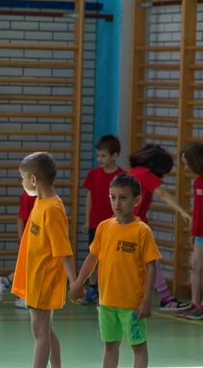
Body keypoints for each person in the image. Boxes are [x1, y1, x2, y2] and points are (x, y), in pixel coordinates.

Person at [68, 173, 159, 368]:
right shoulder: (104, 227)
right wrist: (78, 283)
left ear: (137, 200)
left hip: (132, 304)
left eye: (123, 198)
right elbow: (92, 257)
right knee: (110, 346)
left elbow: (151, 266)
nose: (117, 203)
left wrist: (147, 300)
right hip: (107, 301)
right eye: (113, 197)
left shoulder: (142, 231)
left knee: (138, 348)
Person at [5, 152, 77, 368]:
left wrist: (75, 282)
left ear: (34, 180)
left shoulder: (53, 208)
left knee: (40, 332)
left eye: (23, 178)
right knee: (46, 329)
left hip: (45, 279)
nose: (22, 182)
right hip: (35, 277)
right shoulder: (41, 202)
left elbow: (64, 249)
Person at [128, 144, 192, 311]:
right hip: (134, 226)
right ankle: (166, 299)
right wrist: (182, 211)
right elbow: (162, 193)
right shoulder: (144, 174)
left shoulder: (134, 172)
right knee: (149, 262)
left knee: (142, 262)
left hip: (129, 224)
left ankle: (164, 298)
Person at [80, 135, 125, 304]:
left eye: (103, 156)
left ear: (114, 156)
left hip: (115, 225)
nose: (99, 159)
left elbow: (125, 202)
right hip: (95, 224)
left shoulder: (122, 176)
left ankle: (110, 290)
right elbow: (89, 197)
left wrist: (114, 219)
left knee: (112, 258)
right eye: (98, 155)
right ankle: (93, 289)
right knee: (93, 256)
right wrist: (87, 220)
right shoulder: (93, 174)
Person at [0, 191, 35, 309]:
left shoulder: (42, 194)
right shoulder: (28, 196)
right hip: (28, 239)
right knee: (28, 268)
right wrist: (22, 241)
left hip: (37, 238)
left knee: (30, 268)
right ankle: (13, 290)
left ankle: (5, 283)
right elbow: (20, 219)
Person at [180, 142, 203, 319]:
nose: (186, 168)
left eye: (187, 164)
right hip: (200, 233)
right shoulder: (197, 182)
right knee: (196, 266)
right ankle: (194, 303)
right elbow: (197, 210)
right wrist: (193, 231)